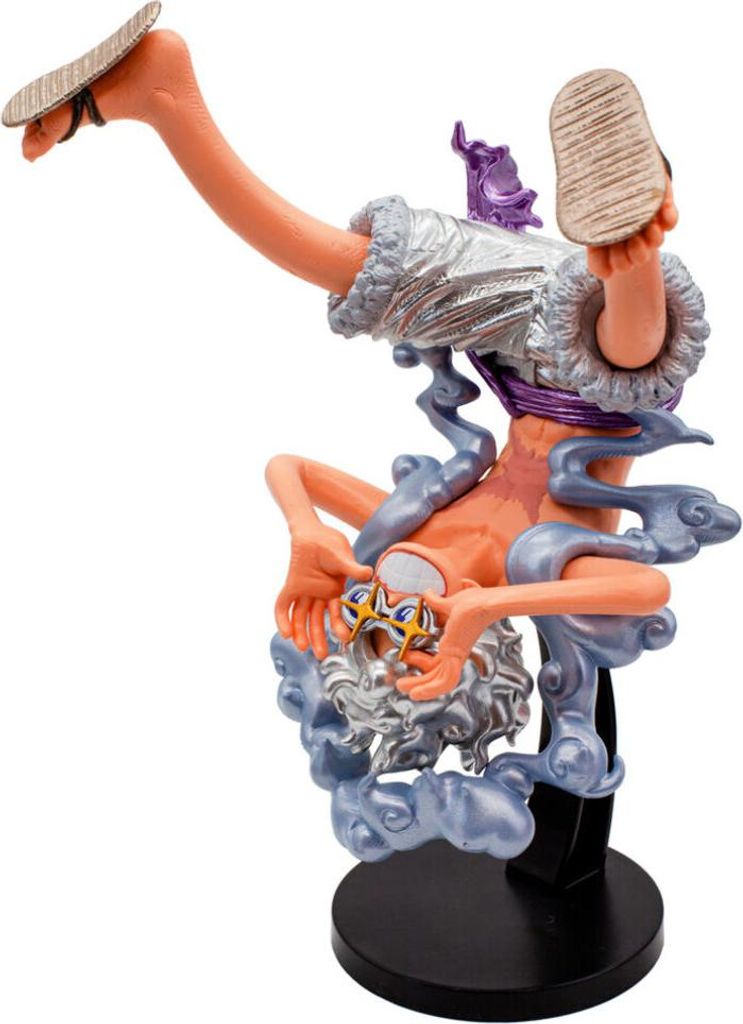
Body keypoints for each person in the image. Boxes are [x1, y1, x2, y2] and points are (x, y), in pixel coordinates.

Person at [12, 30, 709, 699]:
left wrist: (306, 528)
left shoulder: (404, 526)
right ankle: (633, 238)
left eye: (371, 628)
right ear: (467, 645)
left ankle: (163, 96)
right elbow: (647, 588)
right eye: (417, 641)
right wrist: (489, 606)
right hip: (608, 384)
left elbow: (290, 467)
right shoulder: (528, 572)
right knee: (625, 352)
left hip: (517, 353)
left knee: (341, 267)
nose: (394, 617)